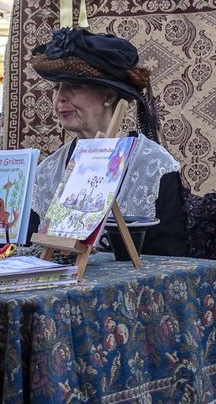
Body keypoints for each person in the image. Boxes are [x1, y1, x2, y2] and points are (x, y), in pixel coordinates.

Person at [28, 27, 189, 255]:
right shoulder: (47, 172)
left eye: (75, 86)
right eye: (57, 87)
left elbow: (171, 258)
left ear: (109, 96)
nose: (60, 97)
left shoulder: (154, 166)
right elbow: (31, 251)